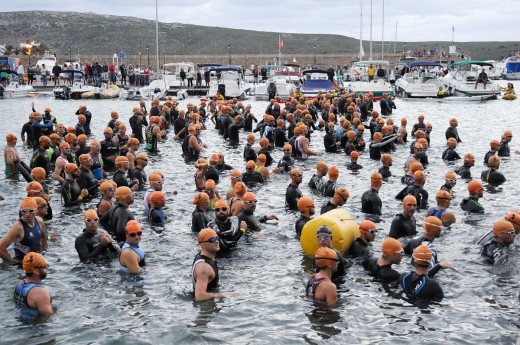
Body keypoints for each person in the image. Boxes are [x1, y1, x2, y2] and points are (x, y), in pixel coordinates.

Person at [192, 228, 236, 301]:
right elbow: (199, 296)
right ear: (203, 244)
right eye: (212, 240)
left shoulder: (204, 256)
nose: (217, 241)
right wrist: (226, 294)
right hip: (205, 307)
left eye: (217, 238)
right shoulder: (204, 267)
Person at [0, 198, 47, 264]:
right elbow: (1, 248)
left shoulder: (40, 221)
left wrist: (45, 251)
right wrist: (15, 262)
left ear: (36, 210)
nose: (27, 214)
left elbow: (44, 237)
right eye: (24, 211)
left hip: (38, 260)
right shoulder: (18, 227)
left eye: (31, 211)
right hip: (23, 265)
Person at [13, 252, 53, 322]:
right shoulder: (41, 292)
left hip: (21, 322)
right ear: (36, 271)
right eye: (44, 266)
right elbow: (48, 316)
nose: (46, 268)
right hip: (35, 330)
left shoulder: (20, 284)